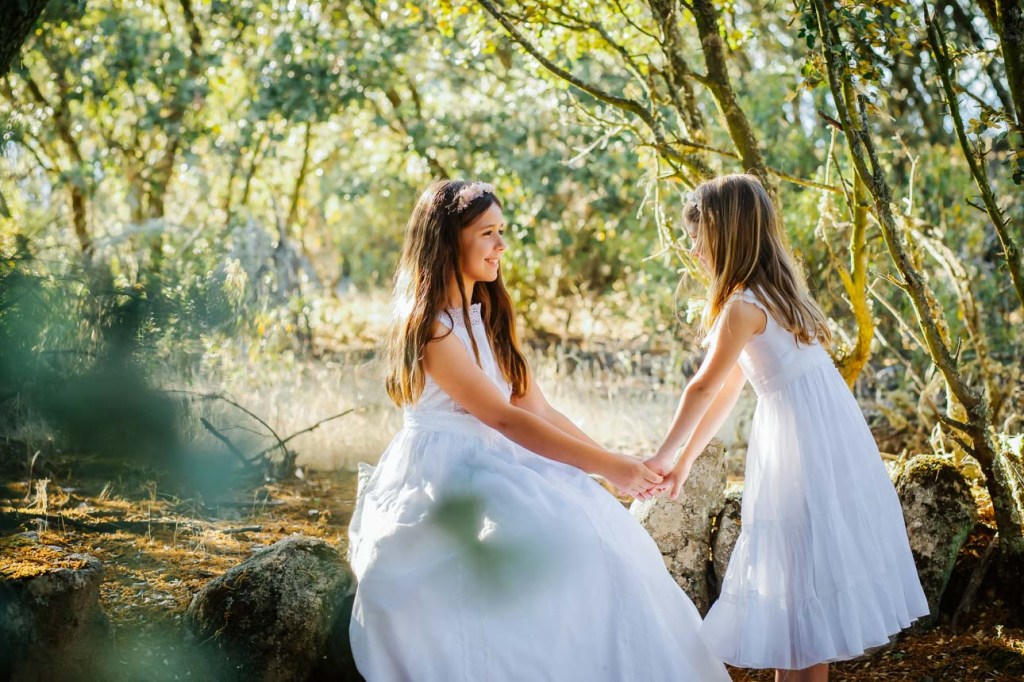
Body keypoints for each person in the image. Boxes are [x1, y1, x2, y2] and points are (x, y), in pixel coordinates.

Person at [347, 179, 730, 681]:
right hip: (444, 473)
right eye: (487, 233)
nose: (501, 245)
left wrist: (616, 467)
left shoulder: (489, 318)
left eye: (501, 231)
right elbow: (504, 418)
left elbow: (538, 409)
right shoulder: (432, 330)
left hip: (497, 458)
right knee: (534, 548)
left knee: (602, 539)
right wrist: (609, 466)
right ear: (448, 241)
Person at [644, 174, 929, 681]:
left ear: (726, 237)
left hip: (798, 446)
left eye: (698, 237)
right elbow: (729, 392)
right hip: (825, 441)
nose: (693, 249)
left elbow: (703, 388)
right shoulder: (778, 295)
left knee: (793, 577)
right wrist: (684, 463)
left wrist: (660, 458)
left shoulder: (742, 308)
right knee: (801, 583)